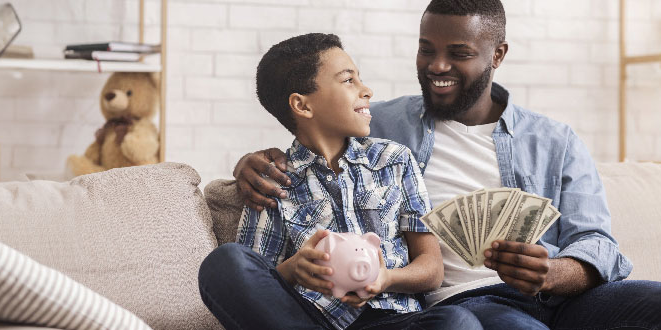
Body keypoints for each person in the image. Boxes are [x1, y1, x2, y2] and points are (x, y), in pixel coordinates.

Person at [230, 1, 661, 329]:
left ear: (498, 54)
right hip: (467, 305)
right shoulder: (379, 125)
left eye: (458, 53)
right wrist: (251, 164)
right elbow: (310, 135)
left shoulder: (554, 140)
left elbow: (597, 243)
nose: (437, 66)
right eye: (427, 49)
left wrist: (552, 272)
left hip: (566, 300)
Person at [197, 33, 481, 330]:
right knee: (224, 263)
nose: (366, 90)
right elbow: (257, 281)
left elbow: (432, 269)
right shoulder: (273, 181)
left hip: (394, 320)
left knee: (457, 321)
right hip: (312, 319)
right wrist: (294, 270)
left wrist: (386, 278)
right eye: (349, 80)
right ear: (302, 105)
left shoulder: (395, 160)